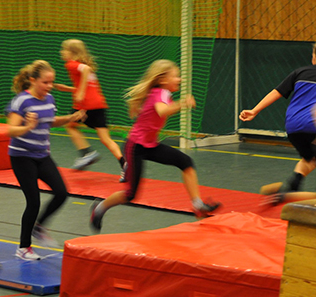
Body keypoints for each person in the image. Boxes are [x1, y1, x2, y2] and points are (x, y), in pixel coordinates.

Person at [90, 60, 220, 232]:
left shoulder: (162, 93)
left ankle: (198, 205)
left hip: (150, 145)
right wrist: (183, 103)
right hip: (135, 146)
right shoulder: (161, 93)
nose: (180, 79)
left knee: (186, 162)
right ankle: (100, 208)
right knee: (131, 194)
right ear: (163, 80)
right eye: (176, 76)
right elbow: (162, 111)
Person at [7, 60, 86, 260]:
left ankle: (39, 226)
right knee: (33, 201)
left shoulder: (49, 98)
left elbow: (50, 121)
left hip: (42, 155)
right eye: (45, 82)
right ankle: (23, 248)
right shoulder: (22, 101)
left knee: (61, 192)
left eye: (51, 82)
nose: (49, 86)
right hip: (22, 157)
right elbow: (10, 130)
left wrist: (70, 118)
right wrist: (27, 127)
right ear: (32, 80)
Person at [240, 39, 316, 194]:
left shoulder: (300, 72)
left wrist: (255, 110)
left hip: (293, 126)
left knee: (310, 159)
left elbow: (277, 92)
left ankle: (295, 182)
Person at [54, 39, 127, 180]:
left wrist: (80, 92)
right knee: (105, 138)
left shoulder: (71, 64)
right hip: (99, 104)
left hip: (85, 105)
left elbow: (85, 72)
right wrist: (69, 89)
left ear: (72, 52)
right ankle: (124, 164)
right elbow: (88, 85)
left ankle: (86, 153)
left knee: (70, 126)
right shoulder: (85, 66)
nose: (61, 52)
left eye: (64, 50)